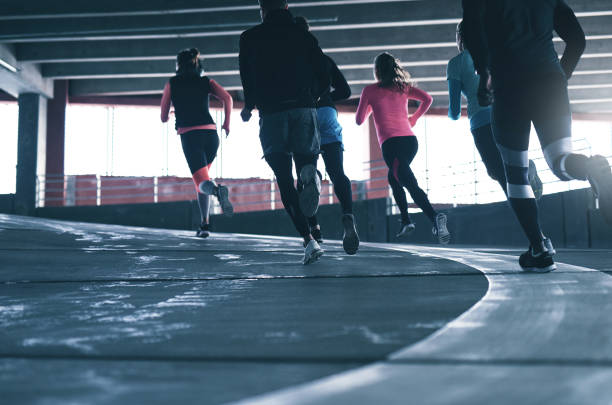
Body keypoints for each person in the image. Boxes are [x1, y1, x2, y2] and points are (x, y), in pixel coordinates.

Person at [462, 0, 612, 272]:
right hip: (549, 79)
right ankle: (592, 167)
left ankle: (540, 250)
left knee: (516, 173)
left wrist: (484, 73)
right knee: (559, 160)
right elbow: (577, 40)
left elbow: (471, 29)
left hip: (509, 84)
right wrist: (559, 76)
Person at [239, 0, 329, 264]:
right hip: (303, 107)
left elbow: (247, 75)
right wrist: (313, 95)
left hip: (272, 112)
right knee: (305, 161)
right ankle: (309, 172)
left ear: (261, 9)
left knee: (282, 177)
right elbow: (324, 74)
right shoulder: (303, 34)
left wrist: (249, 105)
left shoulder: (250, 38)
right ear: (287, 7)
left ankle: (308, 241)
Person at [356, 52, 451, 245]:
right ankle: (406, 221)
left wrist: (372, 106)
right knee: (394, 177)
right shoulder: (403, 88)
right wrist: (414, 118)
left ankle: (435, 218)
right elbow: (428, 99)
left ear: (376, 71)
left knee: (408, 182)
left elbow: (359, 120)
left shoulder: (370, 91)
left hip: (391, 145)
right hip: (410, 142)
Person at [448, 21, 544, 200]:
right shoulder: (495, 52)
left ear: (459, 39)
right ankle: (527, 172)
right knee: (512, 163)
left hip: (481, 121)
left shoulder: (456, 63)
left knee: (497, 172)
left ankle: (526, 214)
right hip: (508, 112)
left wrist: (462, 101)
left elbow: (454, 112)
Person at [293, 16, 359, 255]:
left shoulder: (290, 60)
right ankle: (348, 216)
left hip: (303, 114)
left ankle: (315, 229)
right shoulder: (323, 59)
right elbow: (346, 90)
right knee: (338, 172)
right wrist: (327, 97)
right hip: (327, 113)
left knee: (304, 174)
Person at [161, 48, 234, 238]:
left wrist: (173, 114)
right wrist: (226, 123)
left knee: (203, 182)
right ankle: (204, 224)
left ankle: (218, 190)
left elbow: (163, 117)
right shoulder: (206, 81)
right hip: (211, 135)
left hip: (191, 137)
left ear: (177, 66)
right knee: (201, 181)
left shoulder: (172, 83)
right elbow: (227, 98)